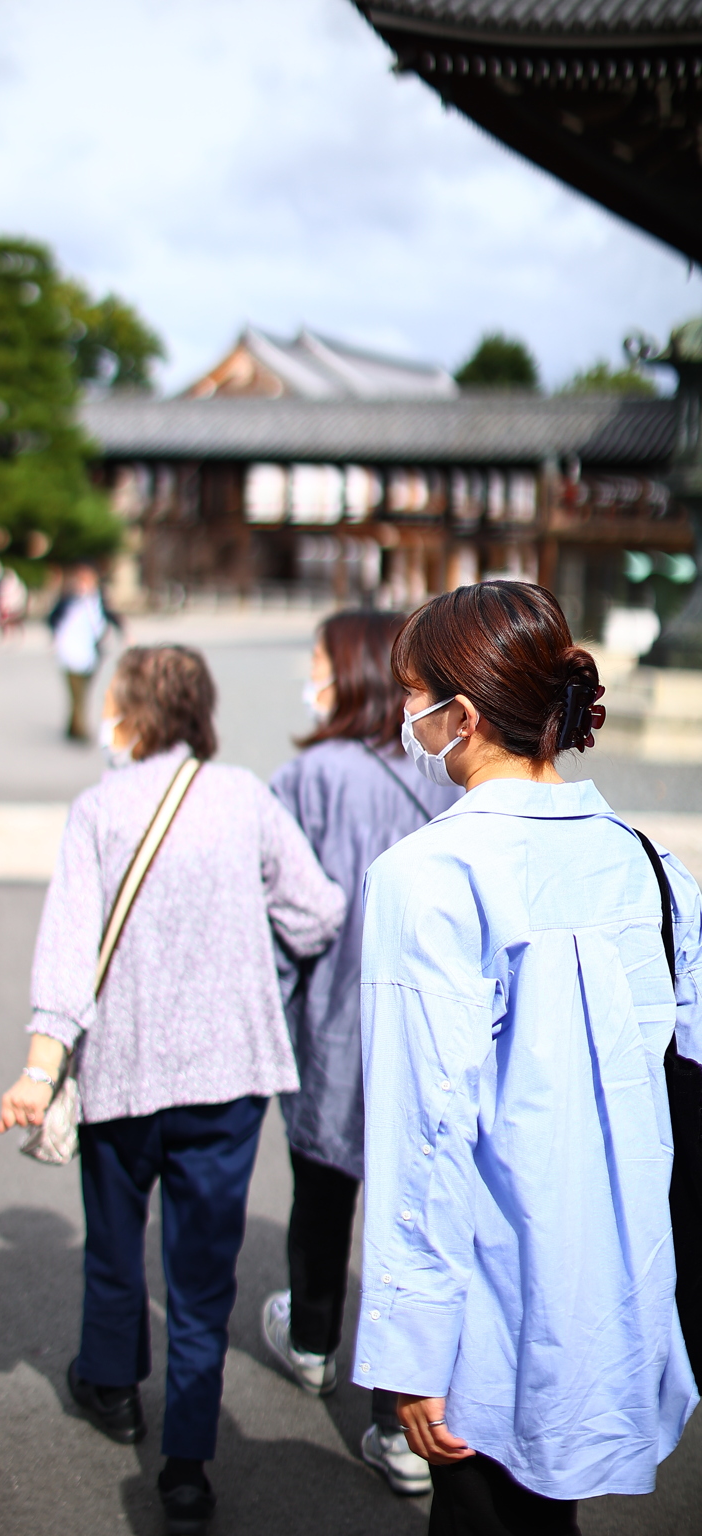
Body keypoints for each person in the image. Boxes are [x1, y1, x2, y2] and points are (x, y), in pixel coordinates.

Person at [354, 580, 701, 1535]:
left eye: (413, 695)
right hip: (622, 1287)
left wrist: (410, 1349)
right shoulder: (649, 864)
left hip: (492, 1300)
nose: (405, 718)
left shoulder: (428, 877)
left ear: (461, 717)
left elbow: (426, 1131)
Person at [0, 645, 345, 1536]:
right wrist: (252, 960)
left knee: (115, 1241)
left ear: (130, 714)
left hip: (125, 1066)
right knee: (201, 1276)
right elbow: (317, 912)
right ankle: (187, 1468)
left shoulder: (99, 809)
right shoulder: (244, 797)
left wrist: (40, 1069)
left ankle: (112, 1385)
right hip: (227, 1073)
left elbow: (69, 947)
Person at [262, 611, 461, 1497]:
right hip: (432, 1032)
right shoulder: (451, 773)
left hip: (336, 1028)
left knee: (322, 1188)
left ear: (345, 671)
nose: (309, 676)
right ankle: (399, 1427)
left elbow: (278, 917)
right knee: (412, 1220)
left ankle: (311, 1341)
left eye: (316, 661)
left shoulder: (310, 777)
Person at [47, 564, 122, 741]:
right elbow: (53, 619)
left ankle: (73, 726)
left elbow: (109, 616)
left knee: (83, 691)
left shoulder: (98, 598)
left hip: (91, 653)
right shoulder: (68, 599)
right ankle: (80, 729)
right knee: (77, 692)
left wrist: (124, 632)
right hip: (69, 652)